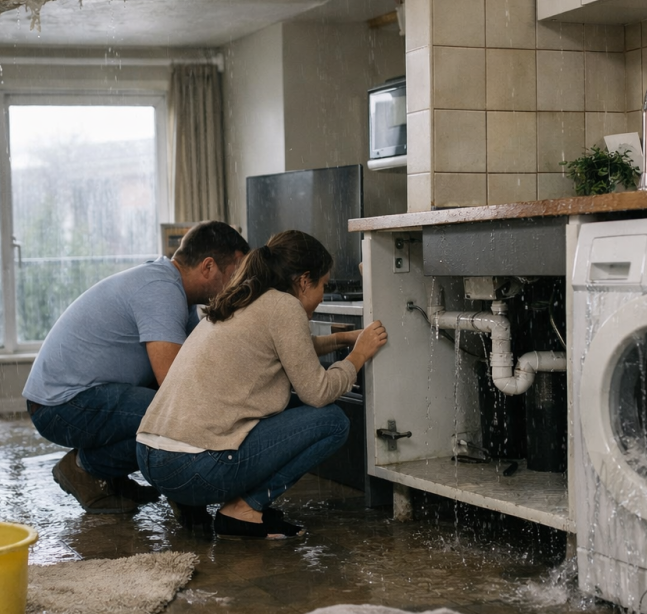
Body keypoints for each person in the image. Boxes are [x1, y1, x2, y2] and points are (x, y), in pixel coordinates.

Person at [135, 229, 388, 538]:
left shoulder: (245, 297)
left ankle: (203, 499)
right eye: (323, 284)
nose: (323, 295)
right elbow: (318, 393)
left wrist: (345, 339)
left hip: (152, 457)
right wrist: (358, 356)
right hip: (193, 468)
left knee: (294, 406)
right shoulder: (284, 306)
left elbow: (292, 350)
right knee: (332, 421)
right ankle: (243, 511)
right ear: (304, 280)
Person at [23, 220, 249, 514]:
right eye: (236, 273)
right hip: (59, 407)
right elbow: (175, 383)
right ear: (208, 267)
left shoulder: (170, 288)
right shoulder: (161, 290)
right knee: (175, 418)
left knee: (179, 409)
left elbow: (202, 362)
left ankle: (111, 478)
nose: (240, 283)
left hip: (74, 397)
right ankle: (84, 468)